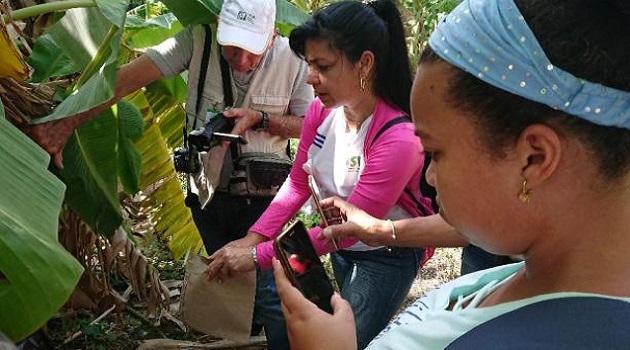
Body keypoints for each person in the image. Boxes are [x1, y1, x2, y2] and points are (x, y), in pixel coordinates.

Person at [272, 0, 630, 348]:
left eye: (436, 153)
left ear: (533, 158)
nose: (428, 176)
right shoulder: (525, 274)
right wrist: (382, 229)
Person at [25, 0, 314, 348]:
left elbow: (307, 124)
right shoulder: (197, 39)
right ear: (219, 26)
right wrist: (66, 123)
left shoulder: (295, 59)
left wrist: (262, 119)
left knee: (271, 288)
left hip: (264, 196)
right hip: (206, 192)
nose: (240, 60)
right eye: (232, 47)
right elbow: (124, 81)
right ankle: (248, 336)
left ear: (272, 34)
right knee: (229, 276)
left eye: (251, 50)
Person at [206, 0, 435, 348]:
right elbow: (298, 183)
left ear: (365, 63)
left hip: (385, 256)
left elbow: (343, 233)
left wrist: (257, 257)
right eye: (310, 64)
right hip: (341, 247)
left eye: (323, 66)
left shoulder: (397, 138)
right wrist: (254, 237)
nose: (311, 76)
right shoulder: (321, 111)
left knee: (342, 342)